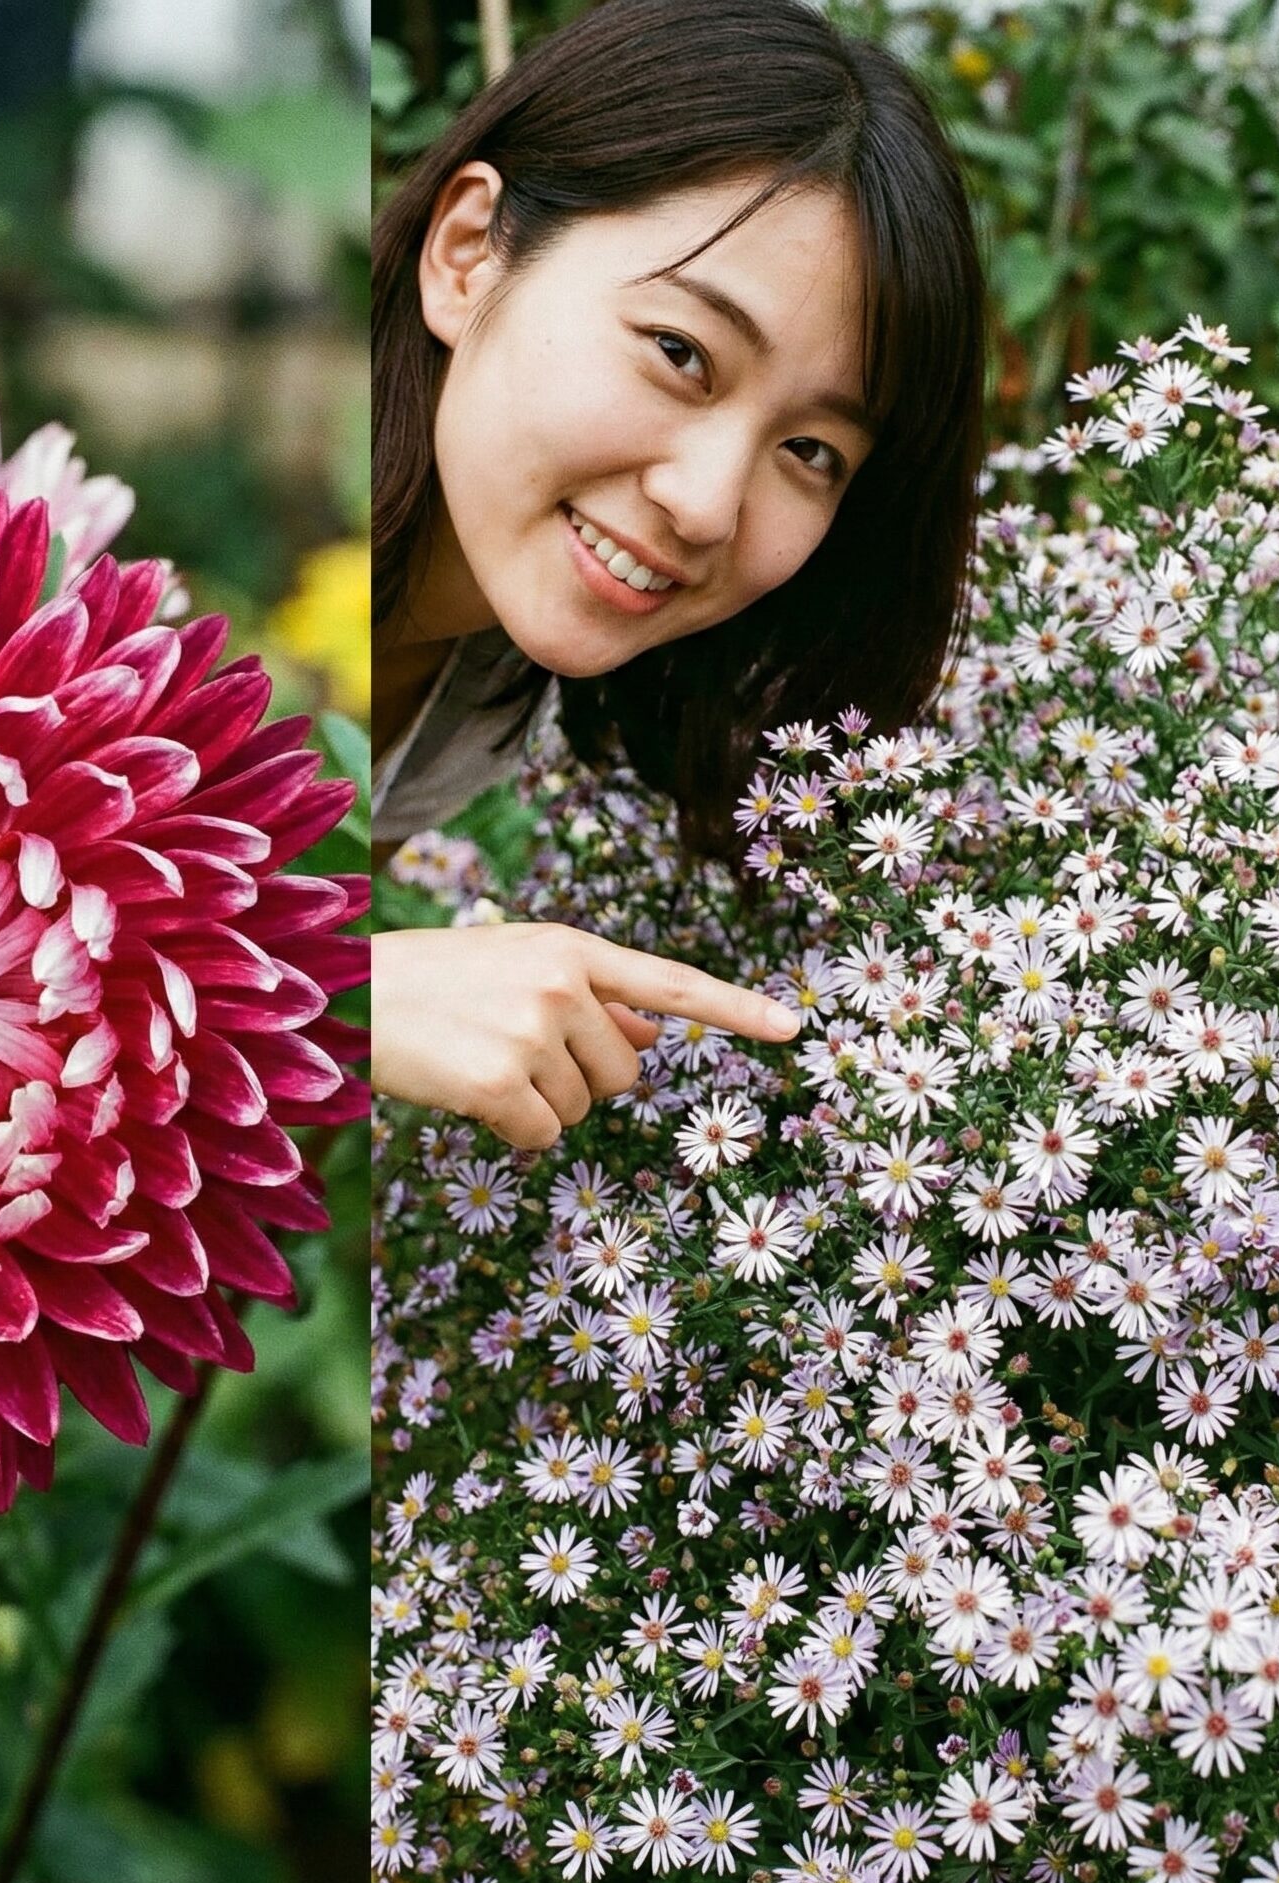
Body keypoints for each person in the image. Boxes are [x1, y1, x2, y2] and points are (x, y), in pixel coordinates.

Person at [369, 0, 987, 1151]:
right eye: (679, 352)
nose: (704, 503)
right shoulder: (175, 593)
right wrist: (361, 996)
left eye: (809, 451)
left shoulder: (482, 671)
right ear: (466, 256)